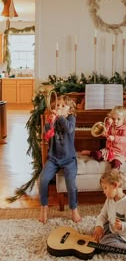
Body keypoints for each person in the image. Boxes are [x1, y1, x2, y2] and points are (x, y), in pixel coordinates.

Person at [39, 95, 81, 224]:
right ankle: (44, 207)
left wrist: (60, 117)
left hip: (69, 159)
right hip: (53, 158)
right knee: (43, 179)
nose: (59, 108)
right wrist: (49, 123)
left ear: (69, 110)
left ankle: (74, 209)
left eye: (63, 106)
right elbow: (47, 136)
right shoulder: (53, 119)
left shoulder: (71, 118)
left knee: (71, 183)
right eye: (57, 105)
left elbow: (69, 129)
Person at [93, 169, 126, 251]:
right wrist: (99, 226)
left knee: (104, 243)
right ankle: (106, 235)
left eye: (105, 188)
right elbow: (103, 215)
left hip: (122, 236)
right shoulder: (109, 200)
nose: (104, 192)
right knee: (96, 231)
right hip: (112, 228)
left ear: (115, 185)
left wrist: (123, 225)